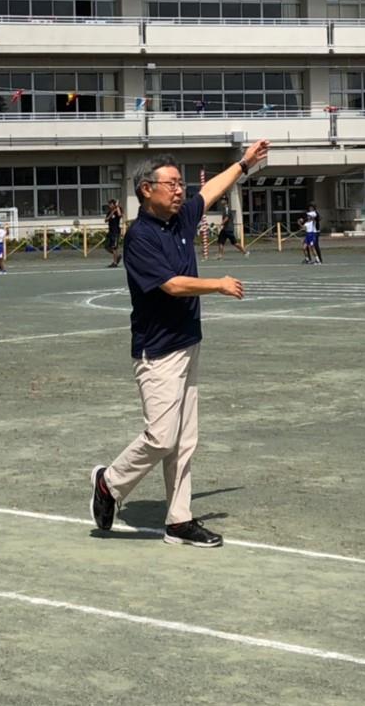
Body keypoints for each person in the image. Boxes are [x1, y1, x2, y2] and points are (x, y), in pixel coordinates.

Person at [88, 139, 270, 550]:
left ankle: (179, 521)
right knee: (161, 437)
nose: (179, 190)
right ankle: (110, 483)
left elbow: (212, 190)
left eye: (180, 183)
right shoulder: (141, 237)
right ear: (145, 190)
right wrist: (218, 285)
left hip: (188, 343)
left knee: (185, 440)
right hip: (158, 352)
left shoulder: (182, 220)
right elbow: (171, 284)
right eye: (170, 183)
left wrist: (243, 163)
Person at [104, 199, 124, 268]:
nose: (109, 205)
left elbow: (120, 215)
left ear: (114, 204)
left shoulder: (118, 210)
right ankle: (117, 256)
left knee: (114, 247)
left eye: (110, 204)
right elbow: (106, 220)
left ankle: (115, 263)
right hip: (110, 231)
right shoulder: (109, 212)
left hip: (116, 232)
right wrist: (112, 213)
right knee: (107, 247)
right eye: (109, 204)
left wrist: (117, 206)